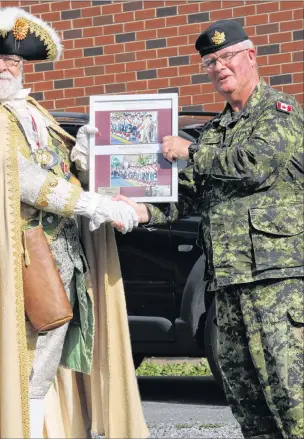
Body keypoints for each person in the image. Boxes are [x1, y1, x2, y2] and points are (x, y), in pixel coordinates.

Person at [0, 6, 149, 439]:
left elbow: (53, 166)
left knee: (50, 363)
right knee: (25, 367)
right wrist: (94, 204)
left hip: (60, 259)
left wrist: (82, 155)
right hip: (17, 265)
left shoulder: (28, 110)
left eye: (11, 62)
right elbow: (22, 180)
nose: (1, 67)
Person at [116, 20, 304, 439]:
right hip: (227, 286)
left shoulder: (280, 113)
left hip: (276, 284)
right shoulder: (215, 131)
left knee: (293, 401)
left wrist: (191, 151)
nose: (219, 68)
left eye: (227, 57)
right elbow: (186, 197)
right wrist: (139, 210)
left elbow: (253, 164)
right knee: (248, 404)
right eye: (210, 62)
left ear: (251, 57)